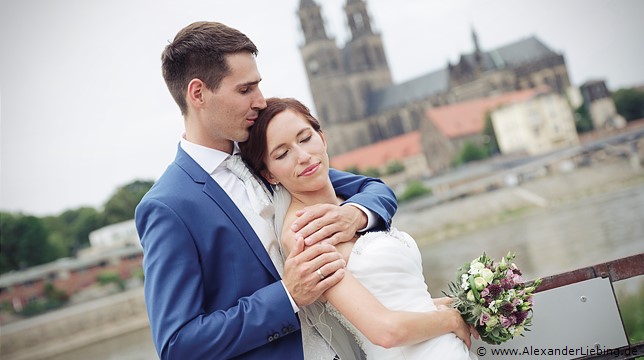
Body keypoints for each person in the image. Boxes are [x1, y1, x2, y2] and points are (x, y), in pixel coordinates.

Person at [134, 22, 397, 359]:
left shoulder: (266, 154)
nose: (260, 101)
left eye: (258, 86)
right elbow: (178, 345)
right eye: (246, 90)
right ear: (198, 93)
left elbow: (374, 189)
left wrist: (353, 216)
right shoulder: (168, 206)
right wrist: (288, 295)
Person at [239, 97, 479, 360]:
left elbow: (385, 295)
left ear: (322, 137)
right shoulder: (304, 234)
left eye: (305, 138)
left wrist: (432, 307)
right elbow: (384, 332)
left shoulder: (350, 200)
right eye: (282, 154)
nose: (303, 156)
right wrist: (451, 320)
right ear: (269, 174)